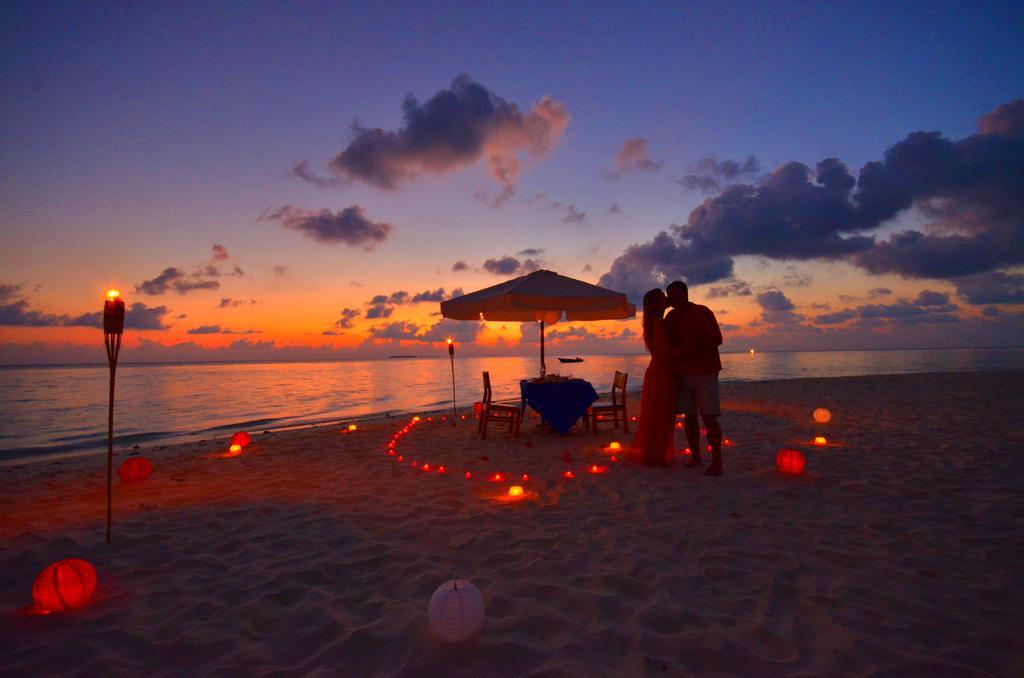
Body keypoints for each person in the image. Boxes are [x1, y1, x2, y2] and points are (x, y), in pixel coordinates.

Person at [665, 280, 725, 476]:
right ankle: (696, 456)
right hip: (682, 374)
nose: (670, 299)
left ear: (684, 294)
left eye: (673, 294)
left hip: (705, 371)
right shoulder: (671, 316)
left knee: (709, 416)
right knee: (689, 416)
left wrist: (694, 349)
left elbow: (717, 339)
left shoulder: (702, 311)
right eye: (668, 295)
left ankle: (717, 460)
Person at [630, 288, 683, 466]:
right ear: (656, 304)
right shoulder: (659, 323)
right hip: (662, 373)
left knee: (655, 415)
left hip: (656, 372)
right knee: (663, 415)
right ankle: (657, 455)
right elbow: (668, 349)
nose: (667, 299)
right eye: (662, 298)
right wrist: (690, 351)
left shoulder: (651, 322)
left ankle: (653, 452)